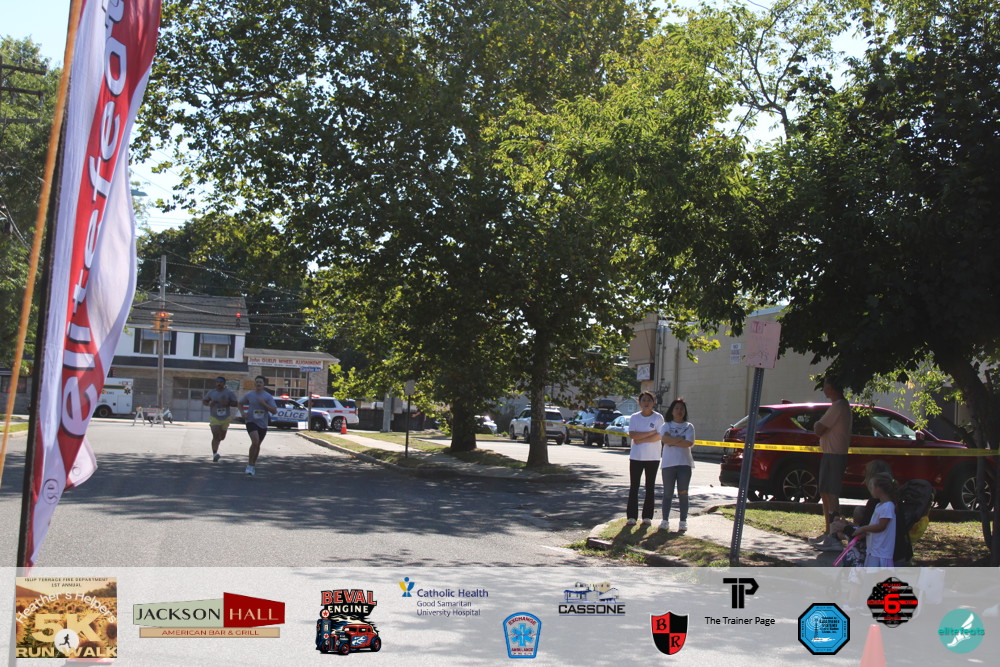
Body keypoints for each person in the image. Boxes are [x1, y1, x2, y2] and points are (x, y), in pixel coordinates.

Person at [813, 375, 852, 550]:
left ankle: (835, 537)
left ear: (832, 388)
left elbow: (819, 428)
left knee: (832, 493)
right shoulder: (836, 406)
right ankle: (828, 531)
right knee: (824, 492)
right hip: (829, 454)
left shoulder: (839, 406)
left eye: (826, 386)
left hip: (835, 454)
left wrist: (817, 425)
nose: (823, 389)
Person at [625, 391, 664, 526]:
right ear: (639, 402)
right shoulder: (634, 417)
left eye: (649, 400)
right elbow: (633, 434)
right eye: (644, 400)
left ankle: (647, 516)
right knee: (634, 486)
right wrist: (650, 433)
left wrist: (641, 438)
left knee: (650, 486)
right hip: (636, 457)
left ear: (653, 402)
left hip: (653, 457)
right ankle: (631, 516)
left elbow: (659, 436)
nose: (646, 403)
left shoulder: (658, 417)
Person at [658, 398, 695, 532]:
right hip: (668, 464)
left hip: (684, 464)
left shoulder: (689, 426)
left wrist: (672, 440)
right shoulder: (666, 425)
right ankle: (665, 521)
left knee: (683, 493)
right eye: (677, 408)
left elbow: (688, 443)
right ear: (672, 411)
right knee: (667, 493)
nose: (679, 411)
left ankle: (683, 521)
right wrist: (680, 439)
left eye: (682, 409)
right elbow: (665, 439)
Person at [855, 473, 898, 567]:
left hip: (881, 552)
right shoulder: (879, 505)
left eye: (872, 487)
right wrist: (865, 532)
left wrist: (864, 528)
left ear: (879, 488)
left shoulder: (888, 506)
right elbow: (874, 525)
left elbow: (881, 526)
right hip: (873, 550)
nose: (870, 490)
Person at [239, 375, 278, 476]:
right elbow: (240, 403)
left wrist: (264, 404)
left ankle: (253, 465)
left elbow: (274, 411)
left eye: (260, 382)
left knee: (257, 445)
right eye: (257, 382)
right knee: (255, 441)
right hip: (251, 421)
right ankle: (249, 464)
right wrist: (243, 413)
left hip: (263, 424)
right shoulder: (249, 394)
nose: (258, 384)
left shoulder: (268, 397)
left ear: (264, 384)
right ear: (255, 383)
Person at [203, 376, 238, 462]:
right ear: (216, 383)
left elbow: (236, 403)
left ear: (224, 383)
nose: (219, 384)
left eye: (221, 382)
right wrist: (209, 403)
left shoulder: (229, 393)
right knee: (215, 434)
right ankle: (215, 454)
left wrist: (227, 403)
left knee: (221, 437)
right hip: (214, 417)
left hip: (225, 418)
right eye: (217, 382)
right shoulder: (211, 392)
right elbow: (204, 401)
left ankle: (218, 442)